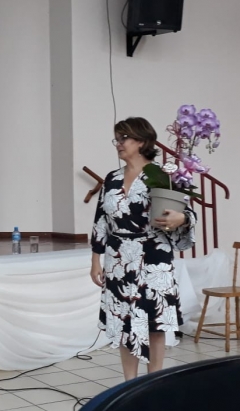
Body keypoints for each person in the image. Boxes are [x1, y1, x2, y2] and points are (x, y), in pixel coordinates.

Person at [90, 117, 196, 381]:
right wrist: (95, 260)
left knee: (155, 322)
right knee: (124, 320)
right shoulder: (112, 178)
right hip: (118, 258)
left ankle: (153, 383)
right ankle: (130, 385)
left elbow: (187, 212)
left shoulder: (162, 176)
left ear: (142, 141)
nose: (118, 144)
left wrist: (181, 219)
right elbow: (100, 220)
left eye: (124, 138)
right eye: (117, 139)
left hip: (153, 256)